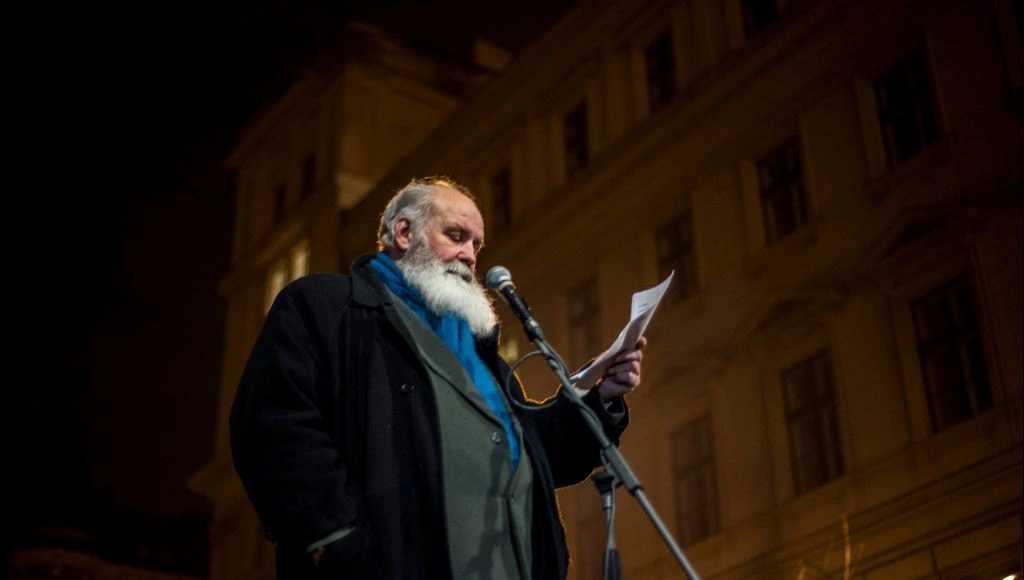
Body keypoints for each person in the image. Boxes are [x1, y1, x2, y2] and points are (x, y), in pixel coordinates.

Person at [230, 176, 646, 579]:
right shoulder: (327, 309)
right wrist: (338, 541)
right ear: (403, 232)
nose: (470, 256)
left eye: (476, 244)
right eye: (456, 235)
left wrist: (600, 399)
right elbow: (273, 427)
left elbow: (537, 453)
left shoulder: (483, 357)